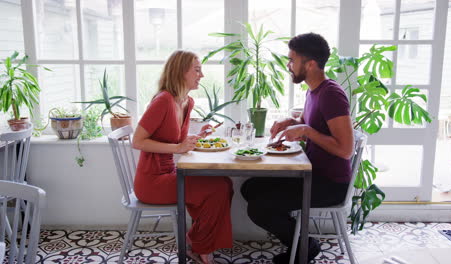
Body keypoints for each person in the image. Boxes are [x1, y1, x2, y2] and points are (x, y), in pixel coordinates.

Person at [240, 33, 354, 263]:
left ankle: (305, 247)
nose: (289, 66)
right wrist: (289, 122)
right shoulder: (314, 91)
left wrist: (306, 131)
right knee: (250, 188)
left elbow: (345, 149)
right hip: (312, 173)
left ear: (310, 64)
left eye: (292, 60)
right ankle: (299, 241)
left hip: (330, 183)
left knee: (258, 208)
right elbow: (306, 123)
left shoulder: (331, 94)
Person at [132, 50, 233, 264]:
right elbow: (137, 141)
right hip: (152, 181)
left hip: (170, 173)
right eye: (197, 70)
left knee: (224, 182)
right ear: (181, 72)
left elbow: (175, 139)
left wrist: (196, 136)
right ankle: (201, 247)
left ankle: (197, 242)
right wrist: (178, 148)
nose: (201, 75)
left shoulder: (186, 102)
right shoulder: (163, 101)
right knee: (218, 188)